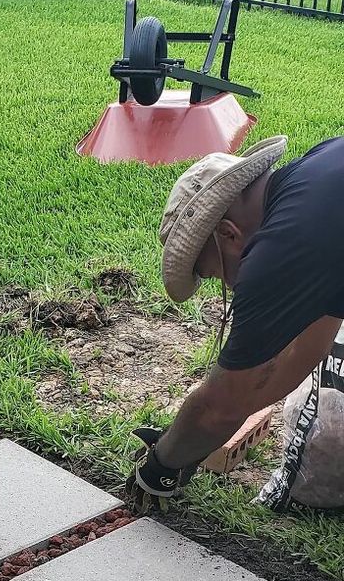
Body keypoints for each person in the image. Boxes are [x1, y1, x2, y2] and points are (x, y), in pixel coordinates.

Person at [128, 135, 344, 507]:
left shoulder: (276, 256)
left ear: (228, 234)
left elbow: (221, 407)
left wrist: (161, 466)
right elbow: (308, 350)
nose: (230, 284)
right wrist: (194, 444)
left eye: (218, 274)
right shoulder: (318, 166)